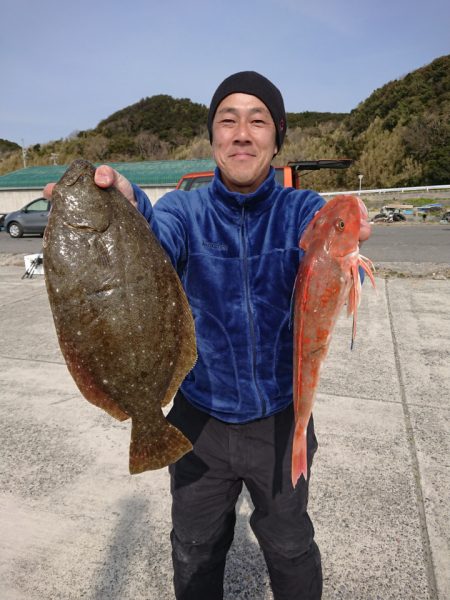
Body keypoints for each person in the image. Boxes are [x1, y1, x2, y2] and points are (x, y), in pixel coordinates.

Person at [45, 71, 370, 600]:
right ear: (214, 136)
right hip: (198, 419)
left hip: (280, 417)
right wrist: (126, 209)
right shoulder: (182, 211)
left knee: (290, 547)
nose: (242, 132)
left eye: (257, 120)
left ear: (277, 136)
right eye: (228, 120)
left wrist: (347, 225)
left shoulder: (300, 212)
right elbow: (153, 241)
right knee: (194, 548)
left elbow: (335, 229)